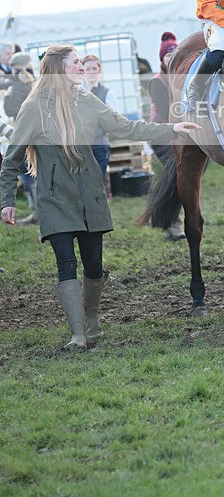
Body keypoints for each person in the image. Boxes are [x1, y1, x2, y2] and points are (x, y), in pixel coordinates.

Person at [0, 44, 200, 350]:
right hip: (54, 198)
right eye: (75, 62)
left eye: (81, 62)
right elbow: (12, 158)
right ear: (58, 68)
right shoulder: (34, 107)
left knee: (94, 266)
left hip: (90, 195)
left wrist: (172, 129)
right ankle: (77, 335)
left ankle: (92, 322)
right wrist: (7, 201)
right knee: (66, 263)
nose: (81, 67)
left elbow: (127, 128)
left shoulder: (87, 100)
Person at [148, 31, 186, 240]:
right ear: (162, 58)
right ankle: (173, 222)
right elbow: (166, 111)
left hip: (179, 135)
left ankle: (168, 219)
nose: (171, 58)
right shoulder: (157, 82)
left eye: (174, 53)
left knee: (180, 177)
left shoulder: (183, 79)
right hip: (161, 135)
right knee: (176, 175)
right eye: (168, 55)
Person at [3, 51, 39, 224]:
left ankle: (37, 213)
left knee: (27, 173)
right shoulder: (37, 83)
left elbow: (9, 110)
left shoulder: (16, 86)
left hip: (23, 135)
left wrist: (7, 94)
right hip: (39, 134)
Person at [81, 54, 119, 184]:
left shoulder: (107, 93)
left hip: (99, 146)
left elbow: (114, 119)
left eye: (94, 68)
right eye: (87, 69)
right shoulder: (75, 92)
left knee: (96, 182)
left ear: (99, 71)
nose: (91, 72)